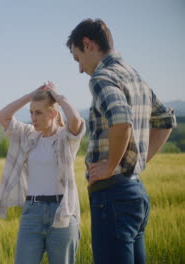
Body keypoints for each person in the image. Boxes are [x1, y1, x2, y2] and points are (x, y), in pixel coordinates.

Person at [66, 18, 176, 264]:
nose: (80, 69)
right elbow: (166, 120)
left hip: (112, 195)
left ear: (88, 44)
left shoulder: (102, 77)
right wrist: (137, 161)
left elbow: (121, 119)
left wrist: (111, 165)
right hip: (135, 191)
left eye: (78, 58)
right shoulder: (134, 76)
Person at [0, 81, 85, 264]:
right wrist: (31, 95)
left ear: (53, 113)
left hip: (62, 212)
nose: (33, 118)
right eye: (31, 113)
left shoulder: (66, 138)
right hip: (32, 212)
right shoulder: (28, 135)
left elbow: (75, 119)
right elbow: (2, 116)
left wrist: (57, 96)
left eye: (38, 112)